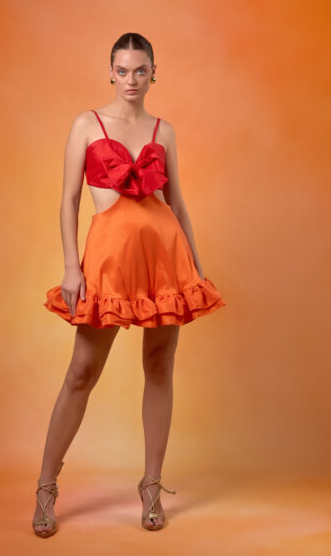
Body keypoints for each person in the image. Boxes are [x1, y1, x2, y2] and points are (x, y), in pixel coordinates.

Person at [33, 32, 226, 538]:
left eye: (141, 70)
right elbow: (68, 199)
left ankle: (151, 486)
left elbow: (176, 204)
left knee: (159, 367)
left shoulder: (165, 131)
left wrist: (195, 266)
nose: (131, 80)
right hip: (108, 260)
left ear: (153, 73)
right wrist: (71, 265)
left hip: (165, 259)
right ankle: (46, 487)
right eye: (123, 70)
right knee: (81, 371)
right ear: (110, 73)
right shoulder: (86, 124)